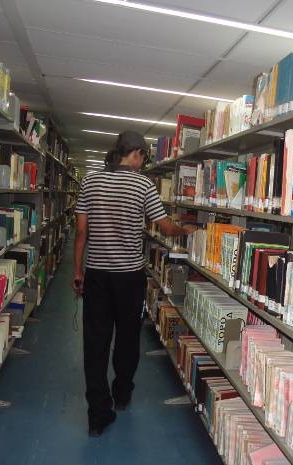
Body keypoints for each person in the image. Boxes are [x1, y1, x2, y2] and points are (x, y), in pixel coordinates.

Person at [72, 130, 189, 437]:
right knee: (127, 338)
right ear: (135, 153)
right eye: (143, 157)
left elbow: (81, 232)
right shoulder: (143, 184)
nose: (142, 163)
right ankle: (122, 393)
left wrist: (77, 271)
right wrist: (185, 230)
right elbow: (162, 225)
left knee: (95, 344)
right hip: (129, 278)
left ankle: (97, 415)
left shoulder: (90, 182)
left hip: (97, 274)